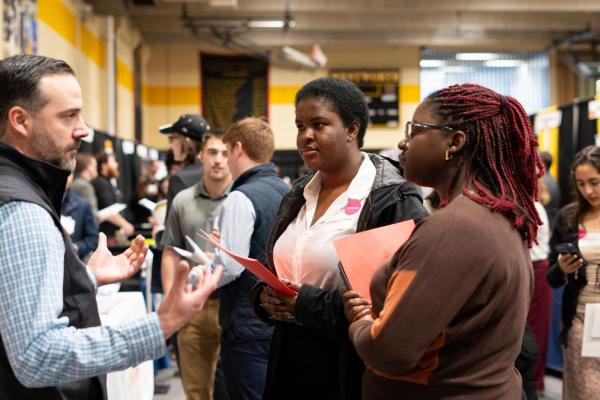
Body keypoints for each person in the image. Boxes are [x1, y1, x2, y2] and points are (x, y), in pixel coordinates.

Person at [0, 54, 222, 399]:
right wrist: (159, 325)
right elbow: (36, 355)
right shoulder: (23, 210)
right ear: (20, 120)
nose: (84, 129)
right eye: (68, 115)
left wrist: (83, 279)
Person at [344, 83, 542, 399]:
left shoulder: (456, 228)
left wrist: (362, 321)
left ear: (455, 142)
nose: (402, 143)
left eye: (415, 130)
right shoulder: (496, 217)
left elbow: (389, 352)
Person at [253, 77, 428, 400]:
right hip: (290, 359)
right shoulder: (298, 195)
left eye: (319, 124)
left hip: (350, 364)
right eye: (300, 126)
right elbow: (285, 268)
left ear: (352, 129)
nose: (305, 136)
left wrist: (306, 304)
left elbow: (396, 301)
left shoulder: (391, 198)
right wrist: (266, 298)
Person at [215, 117, 290, 400]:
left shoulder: (240, 198)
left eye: (225, 152)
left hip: (246, 324)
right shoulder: (289, 191)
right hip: (283, 318)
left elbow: (230, 266)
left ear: (237, 148)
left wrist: (200, 276)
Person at [161, 132, 232, 400]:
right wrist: (172, 299)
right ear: (201, 156)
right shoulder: (182, 201)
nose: (219, 160)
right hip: (193, 305)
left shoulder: (241, 199)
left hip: (231, 303)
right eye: (213, 152)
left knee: (234, 388)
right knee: (196, 391)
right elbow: (169, 251)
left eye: (225, 153)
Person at [547, 145, 600, 399]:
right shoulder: (568, 217)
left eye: (594, 182)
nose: (588, 191)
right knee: (585, 391)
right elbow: (551, 277)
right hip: (580, 317)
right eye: (581, 184)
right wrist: (562, 268)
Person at [159, 114, 208, 214]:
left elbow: (172, 227)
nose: (171, 144)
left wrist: (158, 230)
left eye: (172, 138)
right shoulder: (216, 172)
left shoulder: (179, 179)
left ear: (187, 141)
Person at [92, 151, 134, 238]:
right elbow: (109, 210)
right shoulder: (101, 183)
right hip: (106, 236)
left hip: (113, 234)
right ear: (104, 165)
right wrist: (126, 225)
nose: (117, 165)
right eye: (113, 161)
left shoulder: (108, 182)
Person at [61, 173, 99, 260]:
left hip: (74, 262)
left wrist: (76, 247)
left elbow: (93, 239)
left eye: (69, 173)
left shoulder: (83, 205)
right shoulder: (42, 202)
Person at [539, 151, 561, 229]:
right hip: (551, 223)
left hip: (545, 224)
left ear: (542, 163)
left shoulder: (541, 183)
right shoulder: (554, 180)